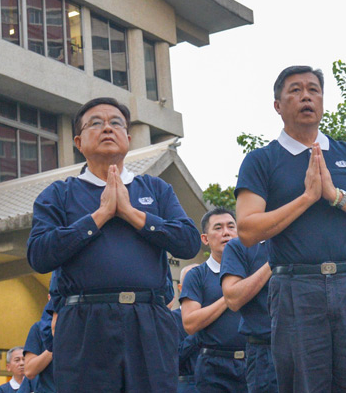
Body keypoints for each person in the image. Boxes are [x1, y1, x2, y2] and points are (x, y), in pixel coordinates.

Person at [236, 65, 346, 392]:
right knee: (305, 385)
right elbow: (248, 229)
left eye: (313, 89)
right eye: (295, 90)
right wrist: (308, 197)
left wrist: (336, 197)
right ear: (278, 105)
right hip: (295, 285)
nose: (306, 96)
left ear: (323, 102)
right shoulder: (261, 160)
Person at [27, 97, 201, 392]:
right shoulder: (59, 194)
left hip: (149, 321)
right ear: (79, 142)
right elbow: (39, 255)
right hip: (85, 323)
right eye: (96, 123)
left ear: (128, 139)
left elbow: (188, 243)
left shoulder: (156, 189)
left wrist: (133, 215)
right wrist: (99, 216)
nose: (107, 128)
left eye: (116, 123)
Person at [181, 208, 248, 393]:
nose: (226, 232)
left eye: (231, 226)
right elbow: (190, 323)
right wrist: (231, 296)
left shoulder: (253, 271)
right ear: (205, 239)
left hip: (255, 362)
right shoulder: (196, 275)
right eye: (218, 227)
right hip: (213, 367)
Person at [220, 237, 278, 392]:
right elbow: (233, 298)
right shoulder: (239, 246)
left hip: (312, 345)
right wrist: (274, 260)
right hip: (265, 349)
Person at [24, 274, 58, 393]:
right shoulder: (38, 329)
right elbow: (29, 371)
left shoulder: (81, 326)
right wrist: (53, 346)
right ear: (49, 297)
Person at [175, 264, 201, 392]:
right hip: (186, 383)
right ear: (180, 288)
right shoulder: (170, 319)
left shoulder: (215, 315)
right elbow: (173, 358)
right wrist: (198, 331)